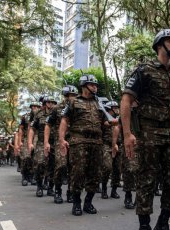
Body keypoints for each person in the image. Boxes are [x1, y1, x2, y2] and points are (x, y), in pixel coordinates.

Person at [121, 29, 170, 230]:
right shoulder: (144, 70)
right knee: (146, 180)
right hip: (148, 131)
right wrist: (127, 134)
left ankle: (163, 225)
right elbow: (126, 101)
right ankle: (144, 229)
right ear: (159, 44)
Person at [59, 74, 111, 216]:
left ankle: (88, 202)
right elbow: (64, 120)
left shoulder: (99, 103)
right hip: (79, 141)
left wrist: (114, 122)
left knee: (95, 173)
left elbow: (105, 122)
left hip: (96, 142)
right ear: (84, 86)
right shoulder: (73, 102)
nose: (95, 87)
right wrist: (62, 139)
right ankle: (76, 203)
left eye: (96, 85)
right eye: (92, 84)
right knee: (78, 172)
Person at [45, 85, 78, 204]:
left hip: (75, 141)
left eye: (74, 95)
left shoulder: (78, 107)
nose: (72, 98)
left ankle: (70, 192)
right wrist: (46, 142)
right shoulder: (56, 108)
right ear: (65, 96)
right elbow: (48, 125)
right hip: (60, 142)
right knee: (61, 165)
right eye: (70, 95)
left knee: (73, 168)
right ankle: (57, 191)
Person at [28, 96, 57, 197]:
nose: (50, 104)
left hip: (55, 142)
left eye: (52, 102)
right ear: (45, 103)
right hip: (41, 142)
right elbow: (32, 129)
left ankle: (50, 188)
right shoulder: (39, 114)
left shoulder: (59, 113)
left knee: (54, 166)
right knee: (39, 163)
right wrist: (30, 143)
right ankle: (39, 186)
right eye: (48, 102)